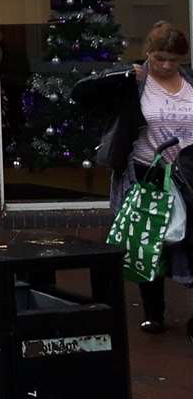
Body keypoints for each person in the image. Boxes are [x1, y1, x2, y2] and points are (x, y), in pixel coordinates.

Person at [73, 20, 193, 335]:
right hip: (146, 172)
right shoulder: (134, 81)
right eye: (159, 58)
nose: (166, 66)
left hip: (188, 173)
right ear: (148, 54)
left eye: (173, 60)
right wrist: (125, 75)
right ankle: (154, 313)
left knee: (191, 241)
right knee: (149, 242)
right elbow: (81, 93)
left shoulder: (190, 82)